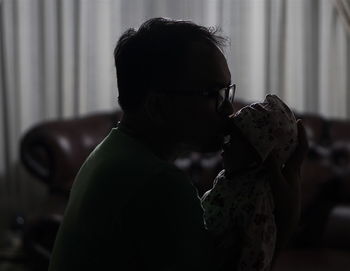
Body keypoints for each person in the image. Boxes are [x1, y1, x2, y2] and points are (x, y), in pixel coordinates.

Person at [48, 18, 308, 271]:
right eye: (212, 94)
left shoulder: (110, 153)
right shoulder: (158, 183)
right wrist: (286, 220)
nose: (229, 109)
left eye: (227, 91)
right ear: (157, 106)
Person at [201, 94, 298, 270]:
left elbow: (255, 249)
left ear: (257, 155)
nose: (225, 144)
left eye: (235, 141)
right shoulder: (227, 177)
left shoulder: (256, 196)